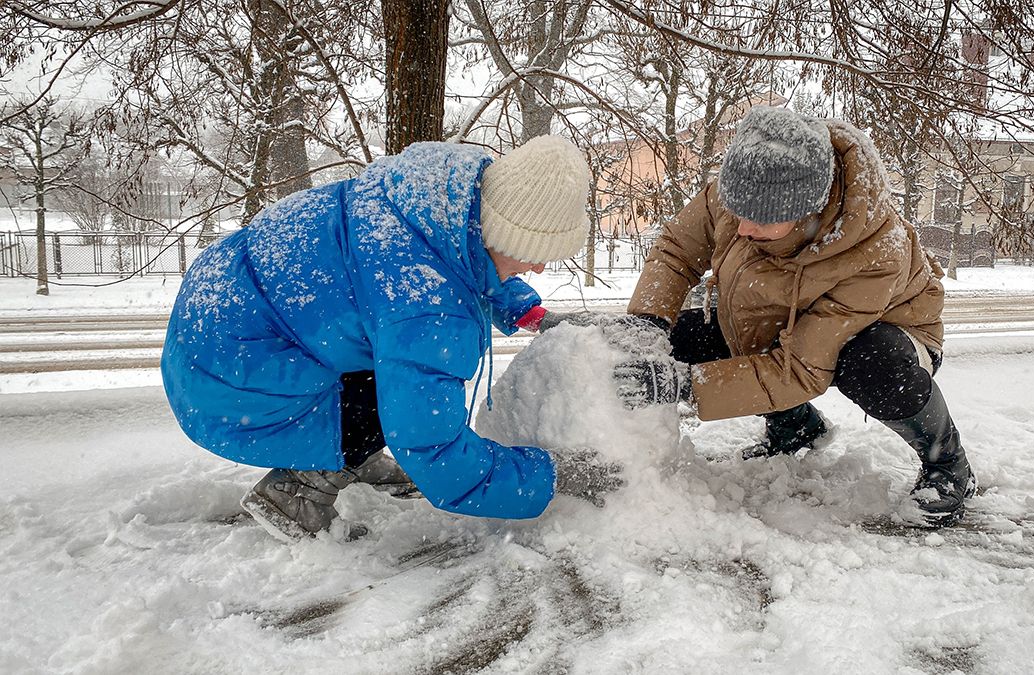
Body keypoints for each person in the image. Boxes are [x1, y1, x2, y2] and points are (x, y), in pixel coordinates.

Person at [161, 135, 622, 541]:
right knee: (400, 404)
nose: (539, 267)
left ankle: (344, 454)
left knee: (392, 375)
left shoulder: (433, 198)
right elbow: (434, 451)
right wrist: (552, 475)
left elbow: (466, 261)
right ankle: (298, 491)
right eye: (532, 254)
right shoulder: (424, 305)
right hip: (230, 383)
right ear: (500, 232)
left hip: (218, 327)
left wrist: (532, 313)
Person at [611, 106, 977, 527]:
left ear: (809, 209)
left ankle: (947, 462)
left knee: (870, 361)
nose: (743, 228)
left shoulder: (875, 251)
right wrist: (648, 323)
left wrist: (686, 387)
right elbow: (676, 252)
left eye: (763, 220)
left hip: (892, 338)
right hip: (787, 320)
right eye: (737, 213)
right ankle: (796, 427)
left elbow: (801, 369)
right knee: (681, 337)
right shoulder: (742, 188)